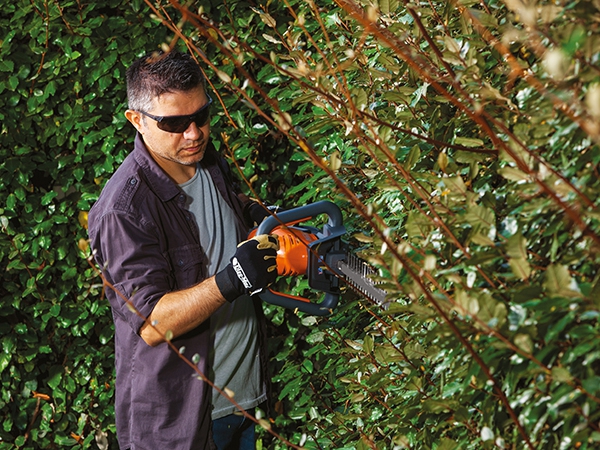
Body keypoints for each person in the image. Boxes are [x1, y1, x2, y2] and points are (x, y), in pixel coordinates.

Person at [88, 49, 278, 450]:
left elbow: (225, 208)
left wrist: (258, 215)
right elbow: (153, 323)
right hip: (183, 427)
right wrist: (234, 279)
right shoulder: (124, 210)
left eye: (201, 116)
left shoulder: (203, 158)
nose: (193, 133)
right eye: (174, 123)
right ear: (136, 120)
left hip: (245, 403)